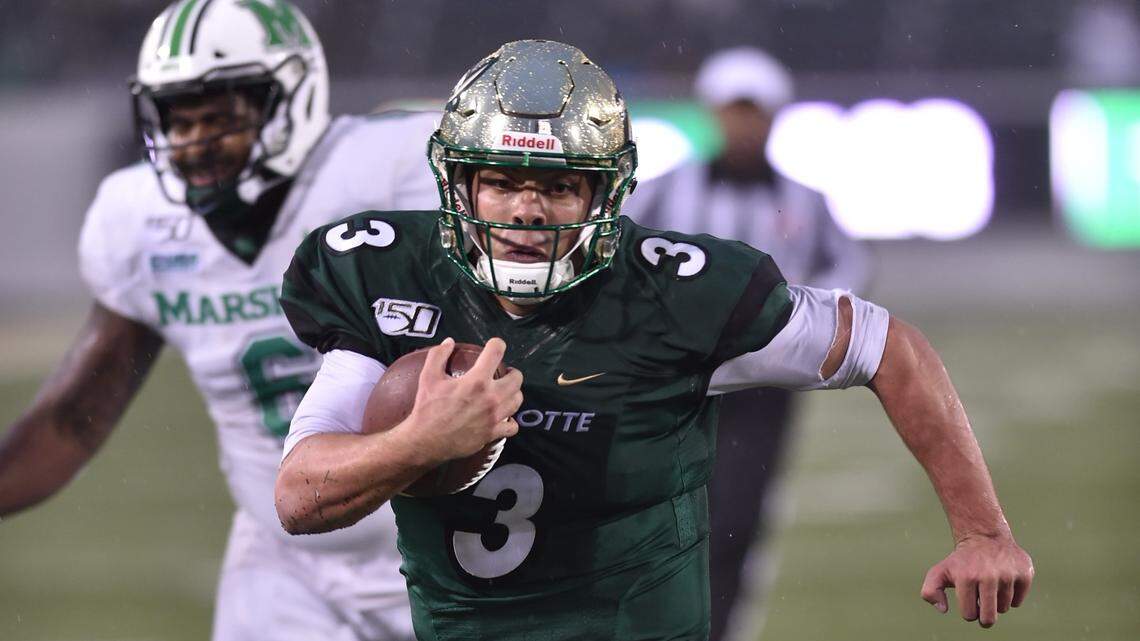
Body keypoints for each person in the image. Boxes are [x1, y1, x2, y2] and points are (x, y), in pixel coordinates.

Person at [274, 39, 1034, 641]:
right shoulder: (386, 274)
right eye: (501, 181)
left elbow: (884, 344)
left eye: (559, 185)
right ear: (459, 185)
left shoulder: (678, 293)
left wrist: (981, 530)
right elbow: (300, 496)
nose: (527, 210)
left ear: (604, 191)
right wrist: (418, 442)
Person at [0, 1, 439, 639]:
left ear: (289, 101)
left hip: (438, 544)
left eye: (219, 116)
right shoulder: (140, 222)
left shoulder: (388, 173)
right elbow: (73, 416)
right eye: (178, 120)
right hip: (284, 566)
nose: (194, 141)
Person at [622, 46, 871, 641]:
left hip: (763, 385)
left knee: (735, 518)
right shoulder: (661, 192)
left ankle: (715, 628)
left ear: (775, 116)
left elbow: (850, 271)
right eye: (734, 111)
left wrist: (802, 326)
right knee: (655, 516)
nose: (743, 125)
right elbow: (617, 261)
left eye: (754, 112)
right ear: (712, 112)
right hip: (674, 383)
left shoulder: (806, 200)